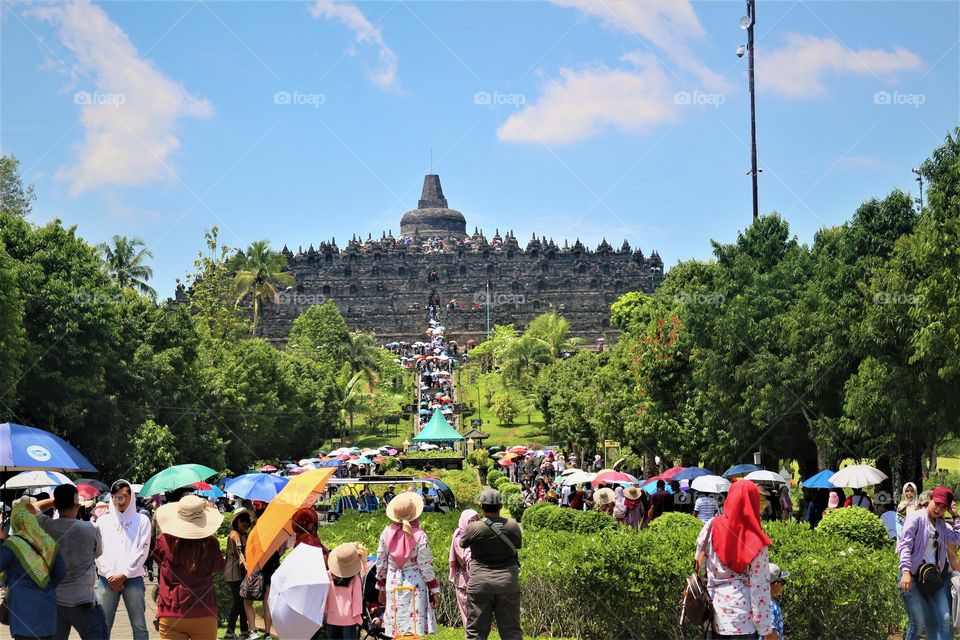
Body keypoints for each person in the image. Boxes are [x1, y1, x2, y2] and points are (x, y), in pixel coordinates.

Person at [695, 480, 776, 640]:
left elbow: (700, 563)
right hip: (743, 621)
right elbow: (759, 589)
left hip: (713, 613)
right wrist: (764, 629)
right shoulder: (757, 542)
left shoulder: (711, 526)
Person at [32, 485, 109, 640]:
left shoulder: (46, 526)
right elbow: (98, 553)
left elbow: (31, 507)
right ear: (77, 504)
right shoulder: (91, 528)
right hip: (84, 602)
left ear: (57, 505)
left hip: (56, 602)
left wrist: (55, 501)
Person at [153, 494, 226, 639]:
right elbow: (218, 567)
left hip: (170, 612)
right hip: (204, 611)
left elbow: (158, 561)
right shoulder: (211, 544)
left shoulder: (163, 541)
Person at [897, 485, 960, 640]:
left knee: (945, 618)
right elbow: (905, 546)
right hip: (911, 576)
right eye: (936, 504)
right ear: (931, 499)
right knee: (918, 625)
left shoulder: (941, 525)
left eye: (943, 507)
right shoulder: (916, 518)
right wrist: (905, 571)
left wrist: (956, 516)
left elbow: (957, 539)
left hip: (932, 578)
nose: (938, 509)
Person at [0, 500, 68, 640]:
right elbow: (61, 571)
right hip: (47, 609)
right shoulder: (49, 542)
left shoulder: (13, 544)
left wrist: (1, 540)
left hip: (22, 613)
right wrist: (46, 584)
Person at [460, 488, 522, 640]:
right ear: (501, 506)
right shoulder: (513, 526)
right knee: (511, 632)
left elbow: (463, 543)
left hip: (480, 583)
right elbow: (518, 545)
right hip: (507, 582)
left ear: (481, 506)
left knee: (476, 633)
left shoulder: (474, 528)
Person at [374, 492, 439, 637]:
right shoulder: (420, 535)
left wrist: (381, 587)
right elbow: (425, 566)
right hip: (415, 585)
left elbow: (381, 562)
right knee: (413, 629)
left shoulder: (386, 533)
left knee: (397, 628)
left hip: (393, 583)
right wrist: (434, 590)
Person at [95, 479, 152, 640]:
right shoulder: (102, 521)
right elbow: (97, 552)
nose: (119, 500)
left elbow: (143, 550)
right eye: (115, 496)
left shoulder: (142, 521)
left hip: (133, 579)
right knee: (102, 626)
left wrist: (125, 574)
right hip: (107, 580)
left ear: (131, 497)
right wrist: (109, 574)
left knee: (139, 626)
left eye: (123, 496)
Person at [325, 543, 365, 640]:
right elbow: (357, 601)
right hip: (349, 619)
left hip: (331, 617)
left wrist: (326, 612)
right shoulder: (355, 579)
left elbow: (324, 596)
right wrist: (357, 617)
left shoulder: (328, 575)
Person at [223, 509, 252, 640]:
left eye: (246, 520)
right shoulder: (234, 535)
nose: (244, 523)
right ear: (236, 521)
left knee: (243, 601)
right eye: (242, 520)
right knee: (239, 602)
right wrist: (249, 569)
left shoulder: (243, 534)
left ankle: (244, 630)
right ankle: (230, 631)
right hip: (234, 574)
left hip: (240, 573)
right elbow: (240, 554)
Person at [449, 509, 479, 628]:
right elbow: (468, 560)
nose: (475, 523)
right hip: (465, 583)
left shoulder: (475, 537)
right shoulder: (460, 539)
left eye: (477, 520)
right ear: (465, 522)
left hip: (476, 581)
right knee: (469, 618)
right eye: (472, 521)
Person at [769, 563, 789, 640]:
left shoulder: (770, 602)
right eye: (783, 582)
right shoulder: (769, 605)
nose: (783, 585)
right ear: (776, 584)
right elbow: (770, 632)